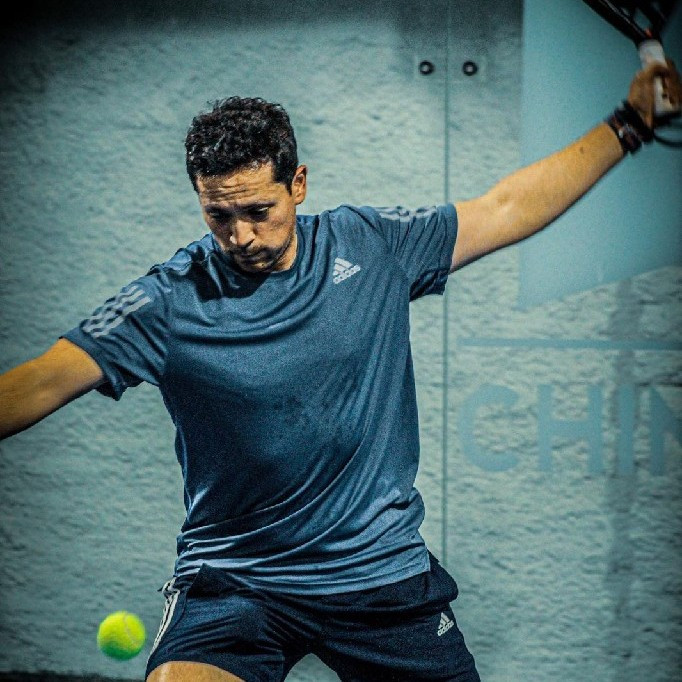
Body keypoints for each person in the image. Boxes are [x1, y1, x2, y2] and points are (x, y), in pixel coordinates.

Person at [0, 59, 680, 682]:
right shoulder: (170, 299)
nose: (240, 236)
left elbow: (505, 209)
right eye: (218, 216)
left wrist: (630, 123)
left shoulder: (371, 244)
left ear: (298, 185)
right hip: (237, 579)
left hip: (377, 570)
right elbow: (41, 378)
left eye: (258, 211)